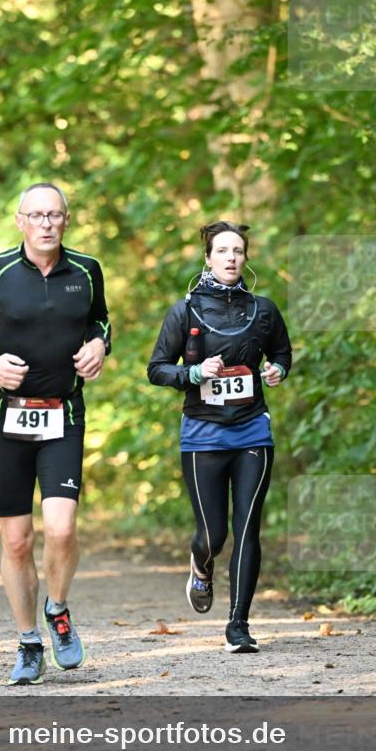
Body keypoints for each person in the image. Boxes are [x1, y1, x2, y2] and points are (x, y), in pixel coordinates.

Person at [0, 183, 111, 685]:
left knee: (61, 529)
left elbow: (101, 319)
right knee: (17, 541)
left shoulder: (86, 270)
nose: (46, 224)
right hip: (7, 419)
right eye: (36, 215)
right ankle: (28, 641)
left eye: (55, 215)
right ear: (20, 221)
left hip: (63, 413)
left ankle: (57, 610)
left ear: (66, 221)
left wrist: (101, 344)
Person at [148, 221, 291, 652]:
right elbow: (157, 369)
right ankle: (201, 564)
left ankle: (238, 626)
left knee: (247, 528)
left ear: (246, 259)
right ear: (207, 258)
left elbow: (282, 353)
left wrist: (277, 370)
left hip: (252, 431)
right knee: (213, 535)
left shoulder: (263, 310)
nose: (231, 257)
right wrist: (193, 372)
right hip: (203, 435)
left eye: (239, 251)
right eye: (223, 250)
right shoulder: (185, 311)